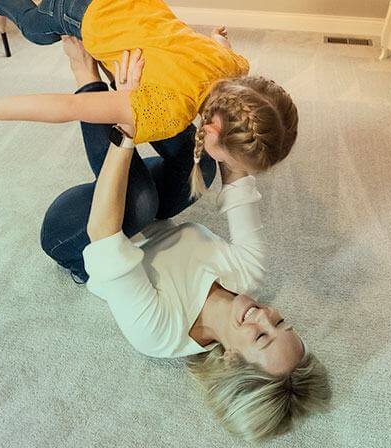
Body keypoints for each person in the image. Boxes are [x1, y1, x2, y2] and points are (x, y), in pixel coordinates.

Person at [76, 42, 331, 442]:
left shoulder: (160, 333)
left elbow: (103, 235)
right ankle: (130, 64)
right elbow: (237, 174)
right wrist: (221, 89)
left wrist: (124, 125)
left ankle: (86, 71)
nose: (264, 314)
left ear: (231, 361)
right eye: (280, 321)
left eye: (262, 335)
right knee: (205, 166)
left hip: (82, 233)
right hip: (147, 218)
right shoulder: (247, 273)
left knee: (140, 203)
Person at [0, 0, 298, 197]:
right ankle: (1, 3)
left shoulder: (232, 66)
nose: (228, 168)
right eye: (231, 162)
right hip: (81, 12)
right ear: (208, 133)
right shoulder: (168, 109)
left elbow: (224, 48)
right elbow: (71, 107)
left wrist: (215, 38)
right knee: (37, 29)